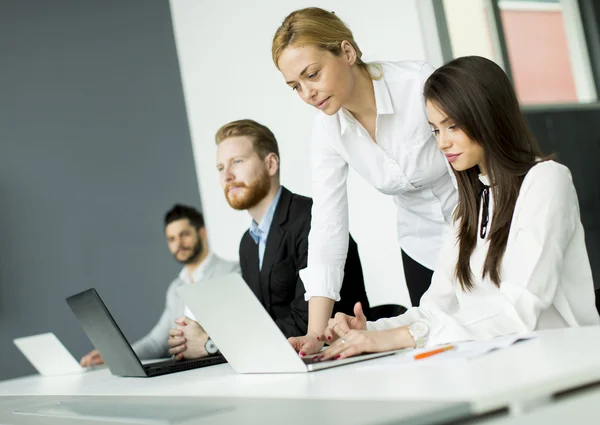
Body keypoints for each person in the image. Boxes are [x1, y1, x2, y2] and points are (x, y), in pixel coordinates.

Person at [319, 55, 600, 360]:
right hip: (503, 365)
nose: (442, 143)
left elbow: (520, 309)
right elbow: (435, 308)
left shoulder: (546, 180)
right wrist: (370, 332)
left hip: (563, 364)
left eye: (452, 126)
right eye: (435, 130)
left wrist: (406, 337)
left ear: (487, 116)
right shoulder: (470, 206)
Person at [272, 7, 458, 354]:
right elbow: (328, 226)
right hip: (421, 247)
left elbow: (472, 169)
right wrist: (315, 333)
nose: (307, 93)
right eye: (295, 86)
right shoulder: (328, 130)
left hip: (478, 232)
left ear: (346, 52)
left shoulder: (418, 85)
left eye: (312, 74)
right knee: (438, 351)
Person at [216, 119, 371, 348]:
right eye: (220, 168)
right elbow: (263, 322)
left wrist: (216, 343)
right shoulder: (247, 244)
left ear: (271, 164)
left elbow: (304, 325)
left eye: (237, 162)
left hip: (338, 360)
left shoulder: (312, 220)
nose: (227, 175)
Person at [80, 204, 239, 366]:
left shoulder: (232, 272)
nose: (178, 243)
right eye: (172, 239)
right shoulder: (175, 288)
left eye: (184, 234)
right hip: (186, 375)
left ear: (202, 233)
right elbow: (157, 342)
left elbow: (240, 333)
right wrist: (115, 357)